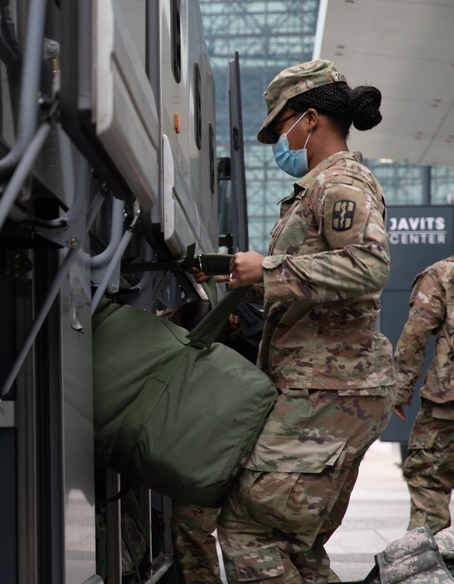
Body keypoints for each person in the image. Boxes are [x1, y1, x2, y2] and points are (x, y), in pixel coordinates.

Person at [194, 59, 396, 583]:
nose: (278, 140)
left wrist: (269, 269)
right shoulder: (316, 187)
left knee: (250, 531)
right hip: (322, 387)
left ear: (309, 119)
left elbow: (370, 265)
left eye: (280, 126)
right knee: (297, 549)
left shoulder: (341, 180)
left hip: (329, 389)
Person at [162, 299, 263, 583]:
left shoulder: (245, 342)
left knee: (192, 523)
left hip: (237, 445)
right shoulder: (248, 317)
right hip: (239, 443)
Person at [392, 256, 454, 535]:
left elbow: (415, 337)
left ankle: (429, 567)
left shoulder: (443, 275)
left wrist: (399, 393)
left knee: (429, 481)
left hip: (447, 406)